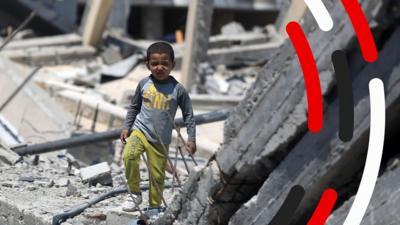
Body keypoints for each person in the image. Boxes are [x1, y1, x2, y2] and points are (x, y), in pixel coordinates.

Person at [120, 41, 196, 212]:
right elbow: (134, 107)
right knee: (130, 155)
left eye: (164, 63)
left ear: (173, 65)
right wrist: (127, 126)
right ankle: (134, 193)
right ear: (148, 65)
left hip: (160, 140)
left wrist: (191, 138)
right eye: (154, 63)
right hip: (140, 131)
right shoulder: (143, 84)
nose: (159, 67)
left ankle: (154, 206)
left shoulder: (178, 90)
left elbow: (189, 115)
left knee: (157, 175)